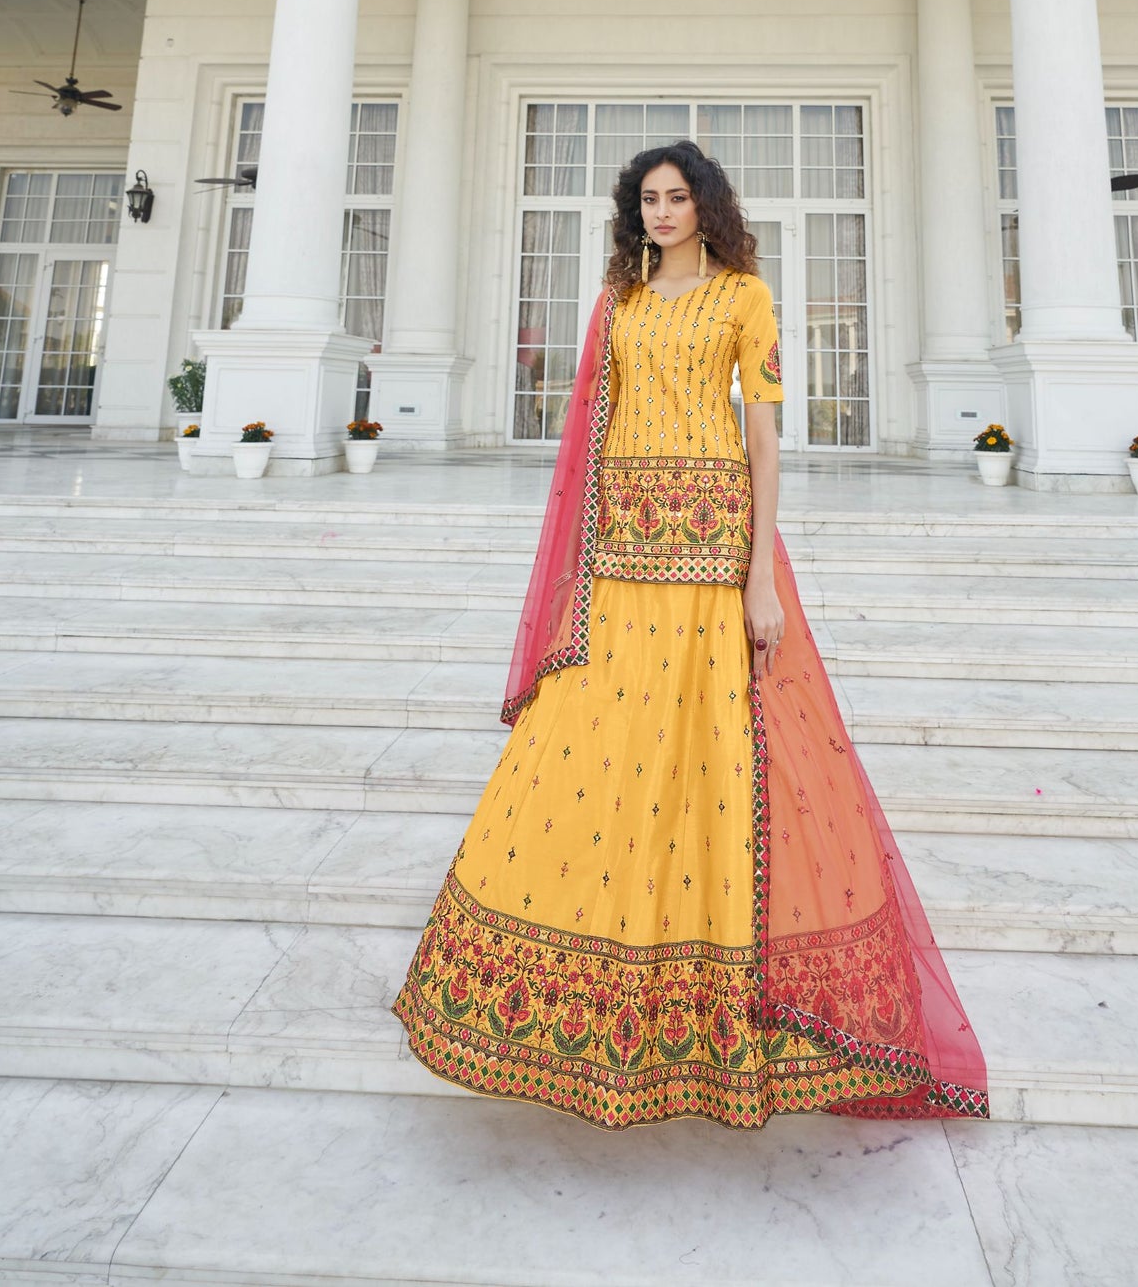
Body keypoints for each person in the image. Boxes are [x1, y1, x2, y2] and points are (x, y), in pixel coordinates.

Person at [392, 138, 989, 1129]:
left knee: (711, 759)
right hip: (622, 555)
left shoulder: (744, 299)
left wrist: (761, 576)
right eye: (647, 200)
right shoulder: (617, 300)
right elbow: (593, 428)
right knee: (590, 749)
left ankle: (710, 1000)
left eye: (675, 197)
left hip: (712, 557)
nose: (661, 212)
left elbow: (762, 437)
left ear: (705, 205)